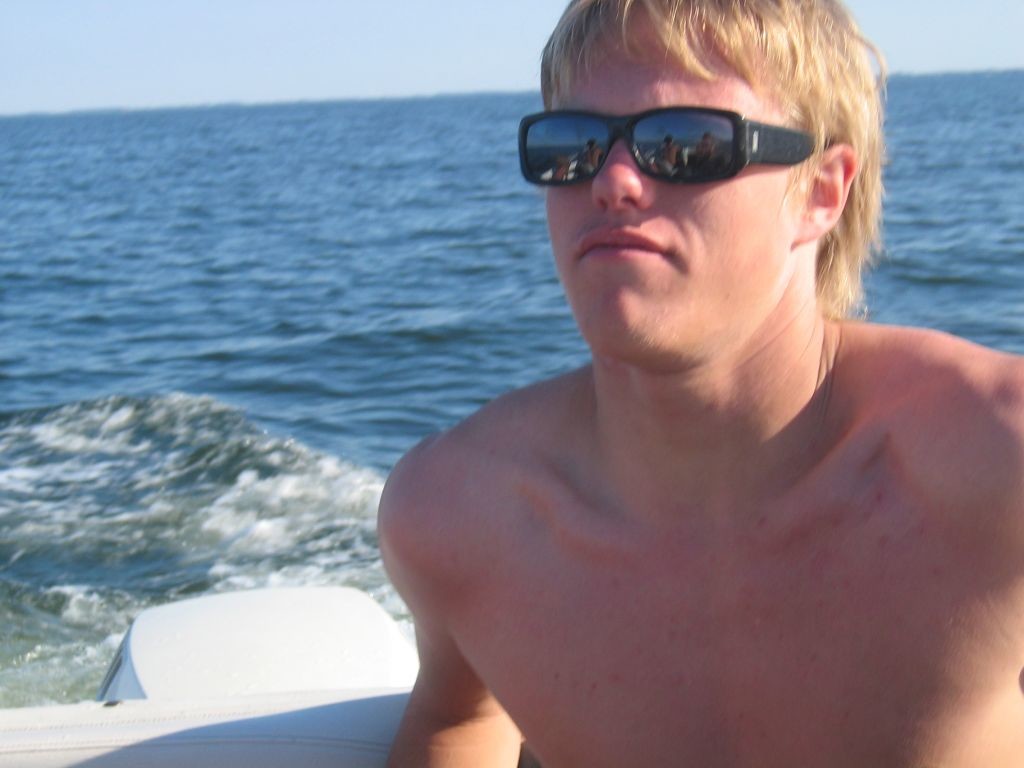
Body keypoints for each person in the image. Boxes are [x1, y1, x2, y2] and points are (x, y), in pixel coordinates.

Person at [378, 0, 1024, 765]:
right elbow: (456, 719)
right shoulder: (458, 516)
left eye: (683, 144)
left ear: (821, 190)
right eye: (572, 146)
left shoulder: (998, 465)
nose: (613, 181)